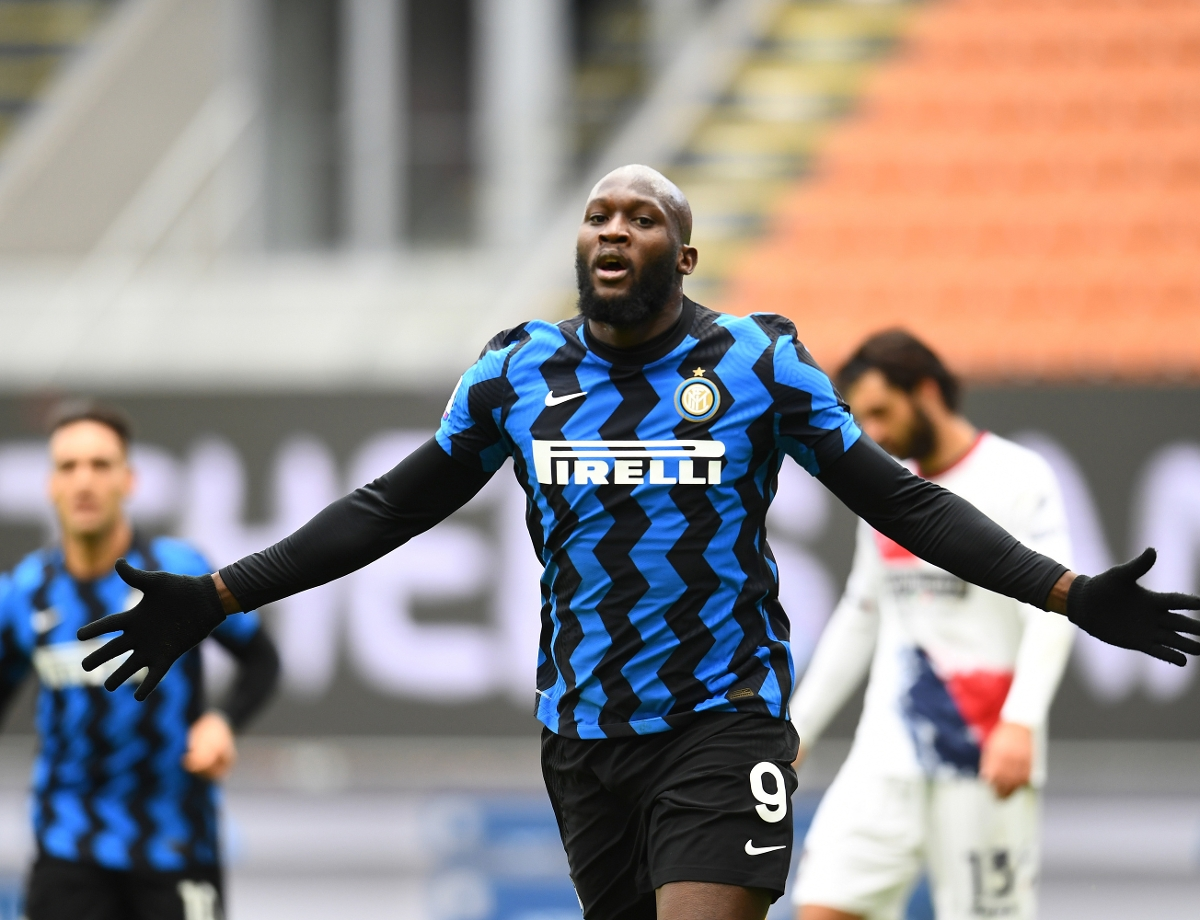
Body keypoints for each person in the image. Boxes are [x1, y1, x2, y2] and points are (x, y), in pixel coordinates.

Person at [77, 165, 1199, 920]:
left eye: (643, 218)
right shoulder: (517, 373)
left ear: (685, 255)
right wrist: (218, 593)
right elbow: (385, 508)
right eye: (598, 215)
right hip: (583, 736)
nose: (614, 229)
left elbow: (903, 504)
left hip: (722, 719)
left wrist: (1064, 590)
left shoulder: (756, 365)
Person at [790, 331, 1075, 920]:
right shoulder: (886, 488)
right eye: (862, 419)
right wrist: (800, 728)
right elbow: (862, 613)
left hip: (983, 751)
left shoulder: (1018, 475)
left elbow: (1054, 612)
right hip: (886, 751)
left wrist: (1021, 722)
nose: (874, 433)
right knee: (822, 906)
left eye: (882, 412)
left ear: (924, 391)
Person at [0, 402, 279, 920]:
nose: (85, 481)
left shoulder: (179, 573)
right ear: (50, 485)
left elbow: (261, 660)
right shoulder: (24, 593)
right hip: (68, 842)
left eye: (101, 465)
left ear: (129, 480)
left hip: (175, 839)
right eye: (69, 466)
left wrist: (223, 722)